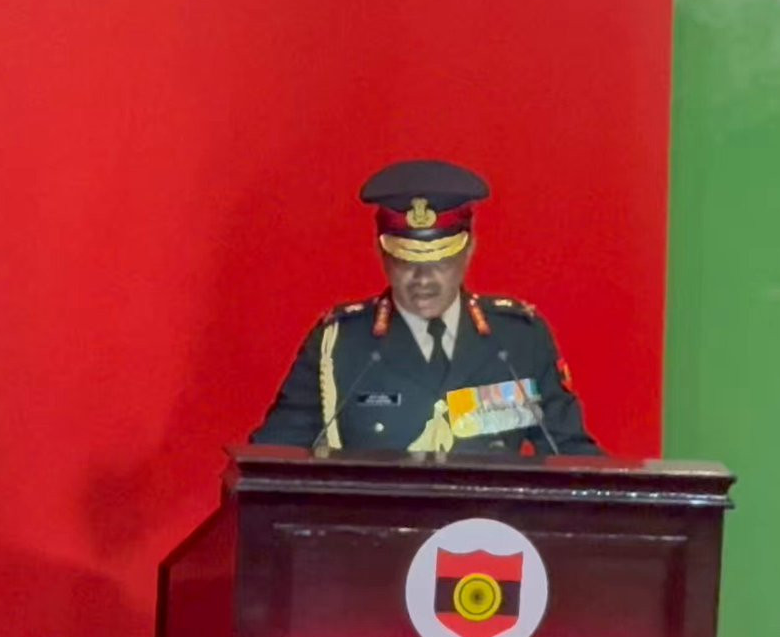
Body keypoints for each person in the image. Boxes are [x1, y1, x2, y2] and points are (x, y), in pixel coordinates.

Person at [249, 160, 601, 455]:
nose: (423, 279)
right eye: (407, 261)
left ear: (469, 250)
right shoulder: (340, 344)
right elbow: (273, 458)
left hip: (486, 520)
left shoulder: (518, 339)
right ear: (383, 254)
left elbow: (570, 454)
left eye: (440, 261)